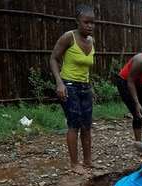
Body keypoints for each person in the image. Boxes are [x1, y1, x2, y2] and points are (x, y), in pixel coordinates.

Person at [50, 4, 96, 173]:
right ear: (77, 21)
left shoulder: (92, 41)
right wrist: (59, 83)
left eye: (92, 23)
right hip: (69, 86)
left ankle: (88, 161)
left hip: (85, 87)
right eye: (86, 22)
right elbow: (54, 59)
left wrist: (91, 87)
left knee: (87, 125)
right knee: (74, 124)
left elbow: (87, 69)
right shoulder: (68, 37)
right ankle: (74, 164)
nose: (90, 26)